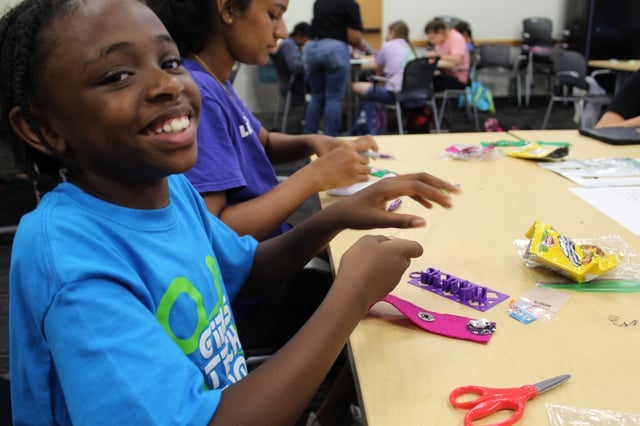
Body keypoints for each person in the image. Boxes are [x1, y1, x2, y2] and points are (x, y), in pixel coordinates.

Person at [1, 0, 460, 424]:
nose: (166, 85)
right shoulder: (71, 261)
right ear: (42, 128)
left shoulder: (170, 188)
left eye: (169, 62)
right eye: (118, 75)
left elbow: (245, 269)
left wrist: (335, 217)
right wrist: (350, 296)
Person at [303, 0, 367, 136]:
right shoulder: (350, 4)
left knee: (316, 96)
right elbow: (353, 36)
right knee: (333, 97)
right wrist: (362, 46)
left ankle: (308, 137)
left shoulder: (319, 2)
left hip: (312, 47)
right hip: (334, 50)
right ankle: (331, 139)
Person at [351, 20, 416, 135]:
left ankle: (363, 128)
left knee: (356, 86)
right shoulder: (410, 47)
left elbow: (378, 75)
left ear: (392, 33)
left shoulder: (387, 46)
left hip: (396, 94)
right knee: (373, 91)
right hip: (413, 93)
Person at [424, 17, 471, 92]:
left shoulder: (456, 38)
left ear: (441, 32)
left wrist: (437, 56)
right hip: (445, 74)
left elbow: (456, 59)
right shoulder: (441, 41)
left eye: (432, 38)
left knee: (427, 84)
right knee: (423, 80)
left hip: (458, 79)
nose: (432, 42)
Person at [277, 21, 311, 106]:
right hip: (295, 84)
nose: (307, 42)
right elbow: (295, 66)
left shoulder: (290, 44)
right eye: (306, 38)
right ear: (299, 35)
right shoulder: (289, 45)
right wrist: (311, 65)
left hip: (293, 83)